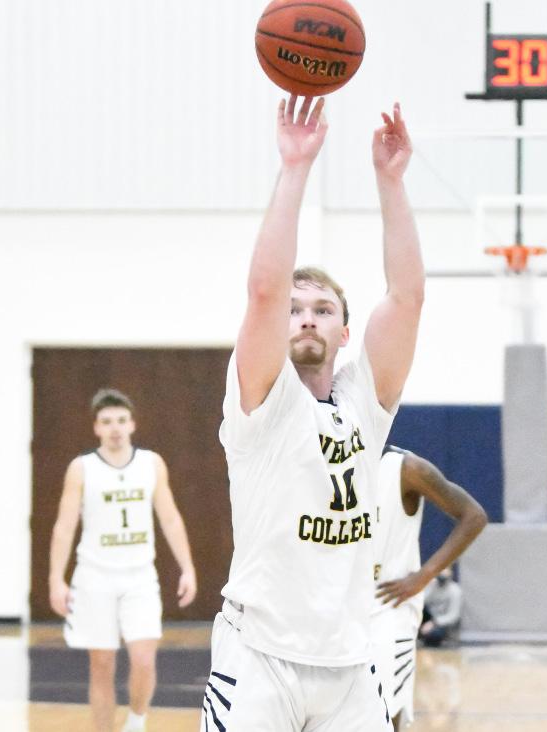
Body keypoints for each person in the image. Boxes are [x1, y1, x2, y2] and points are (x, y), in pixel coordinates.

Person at [200, 95, 425, 731]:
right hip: (260, 659)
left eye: (322, 310)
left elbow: (407, 298)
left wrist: (391, 182)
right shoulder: (263, 400)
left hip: (351, 663)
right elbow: (263, 291)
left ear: (344, 332)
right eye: (295, 309)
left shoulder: (363, 403)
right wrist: (295, 166)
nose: (305, 317)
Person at [49, 388, 197, 732]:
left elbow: (170, 518)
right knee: (102, 663)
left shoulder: (151, 463)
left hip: (140, 576)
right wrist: (56, 578)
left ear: (132, 424)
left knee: (144, 657)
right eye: (106, 422)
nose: (114, 428)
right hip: (95, 576)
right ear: (96, 428)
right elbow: (64, 526)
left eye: (120, 420)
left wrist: (187, 567)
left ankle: (136, 721)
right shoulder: (81, 468)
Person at [372, 445, 487, 729]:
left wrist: (424, 575)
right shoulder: (332, 462)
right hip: (343, 608)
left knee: (386, 710)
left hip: (390, 606)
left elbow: (474, 516)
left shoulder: (407, 469)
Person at [420, 567, 463, 647]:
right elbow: (422, 601)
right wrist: (429, 584)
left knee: (434, 635)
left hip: (443, 622)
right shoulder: (432, 585)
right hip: (430, 617)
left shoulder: (455, 590)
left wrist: (434, 623)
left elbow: (453, 616)